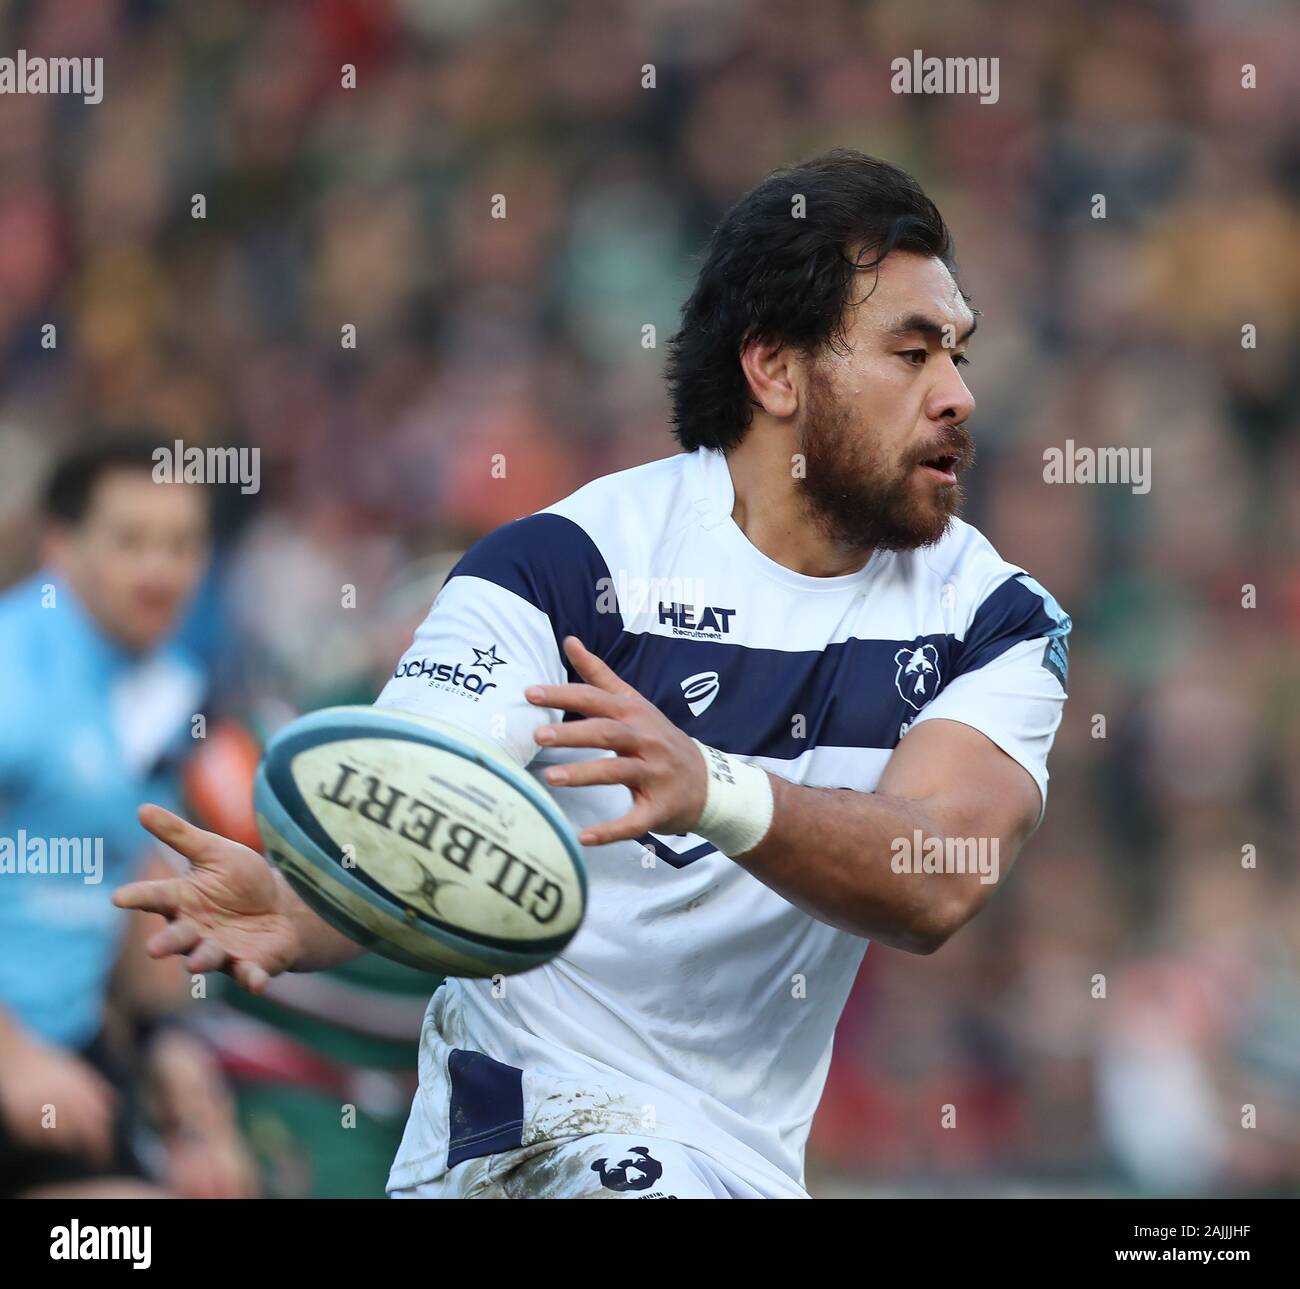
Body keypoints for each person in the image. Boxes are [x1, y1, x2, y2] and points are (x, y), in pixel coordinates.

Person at [117, 150, 1071, 1199]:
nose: (958, 395)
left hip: (740, 1159)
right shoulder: (559, 568)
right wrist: (317, 905)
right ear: (777, 371)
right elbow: (428, 803)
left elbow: (940, 874)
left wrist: (712, 788)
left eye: (959, 354)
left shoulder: (993, 617)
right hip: (522, 1131)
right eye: (912, 351)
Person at [0, 436, 256, 1198]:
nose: (160, 571)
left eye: (181, 544)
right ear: (59, 544)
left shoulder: (171, 690)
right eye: (131, 541)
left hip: (69, 1064)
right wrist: (10, 1057)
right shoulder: (13, 676)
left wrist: (189, 1090)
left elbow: (142, 898)